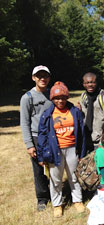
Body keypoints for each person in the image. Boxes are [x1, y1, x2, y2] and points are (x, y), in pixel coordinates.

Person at [37, 81, 86, 217]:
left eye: (63, 97)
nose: (60, 101)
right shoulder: (47, 114)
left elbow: (81, 133)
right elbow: (42, 136)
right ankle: (57, 204)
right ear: (52, 98)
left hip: (72, 149)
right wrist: (41, 156)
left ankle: (77, 200)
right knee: (56, 179)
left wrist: (81, 153)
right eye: (57, 98)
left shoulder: (75, 112)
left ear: (67, 97)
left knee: (74, 177)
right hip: (55, 151)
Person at [20, 65, 52, 212]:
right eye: (39, 76)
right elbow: (24, 122)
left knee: (54, 167)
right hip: (36, 137)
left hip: (52, 136)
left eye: (45, 76)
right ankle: (42, 198)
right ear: (34, 78)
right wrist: (29, 144)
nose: (42, 79)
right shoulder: (27, 98)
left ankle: (54, 193)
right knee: (39, 169)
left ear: (49, 78)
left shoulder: (52, 94)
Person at [79, 72, 104, 153]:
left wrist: (103, 141)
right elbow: (83, 117)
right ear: (83, 84)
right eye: (87, 82)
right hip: (87, 140)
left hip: (99, 141)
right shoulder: (83, 96)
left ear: (96, 83)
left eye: (92, 82)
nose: (90, 85)